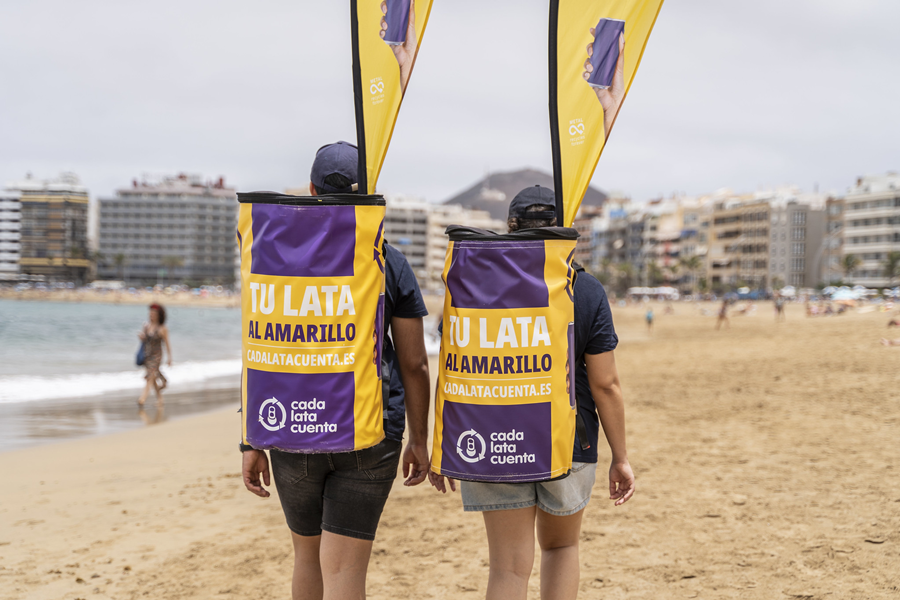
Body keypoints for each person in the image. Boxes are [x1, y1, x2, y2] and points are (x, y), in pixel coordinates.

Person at [241, 141, 432, 600]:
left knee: (307, 559)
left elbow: (260, 350)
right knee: (345, 573)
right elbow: (414, 362)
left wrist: (250, 440)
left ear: (310, 190)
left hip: (291, 426)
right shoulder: (386, 258)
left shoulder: (276, 257)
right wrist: (420, 439)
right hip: (369, 428)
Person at [430, 186, 634, 600]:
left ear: (511, 227)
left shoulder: (473, 286)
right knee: (561, 547)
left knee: (507, 568)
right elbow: (605, 384)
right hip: (566, 438)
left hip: (490, 434)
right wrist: (621, 457)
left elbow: (452, 368)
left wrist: (442, 447)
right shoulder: (583, 288)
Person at [137, 303, 171, 407]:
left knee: (150, 377)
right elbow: (146, 341)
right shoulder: (146, 326)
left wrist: (170, 358)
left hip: (157, 356)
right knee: (153, 377)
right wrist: (142, 338)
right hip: (147, 355)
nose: (151, 315)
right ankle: (160, 397)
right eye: (150, 313)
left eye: (153, 313)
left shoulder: (162, 328)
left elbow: (167, 343)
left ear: (158, 315)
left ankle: (142, 399)